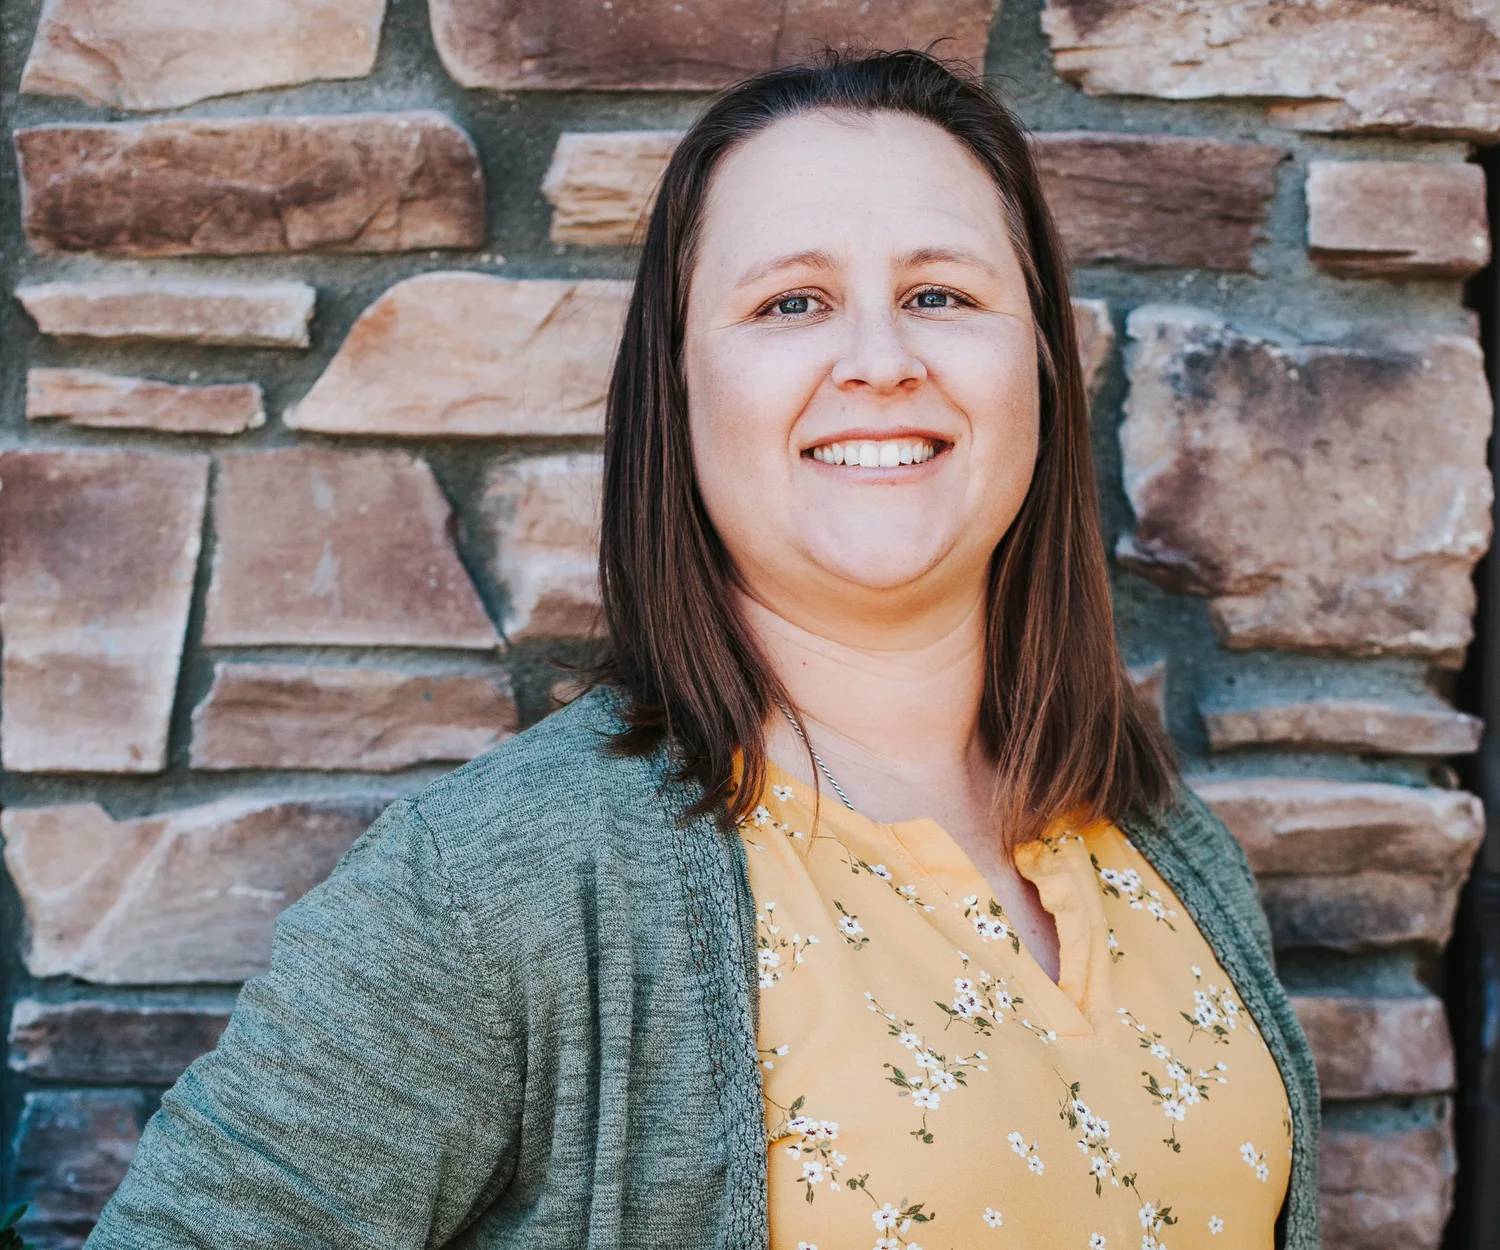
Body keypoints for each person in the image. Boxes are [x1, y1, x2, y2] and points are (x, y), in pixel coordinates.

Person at [86, 49, 1319, 1250]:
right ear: (677, 390)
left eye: (941, 294)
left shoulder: (1169, 847)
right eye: (792, 302)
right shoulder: (501, 886)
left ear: (1041, 362)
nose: (881, 361)